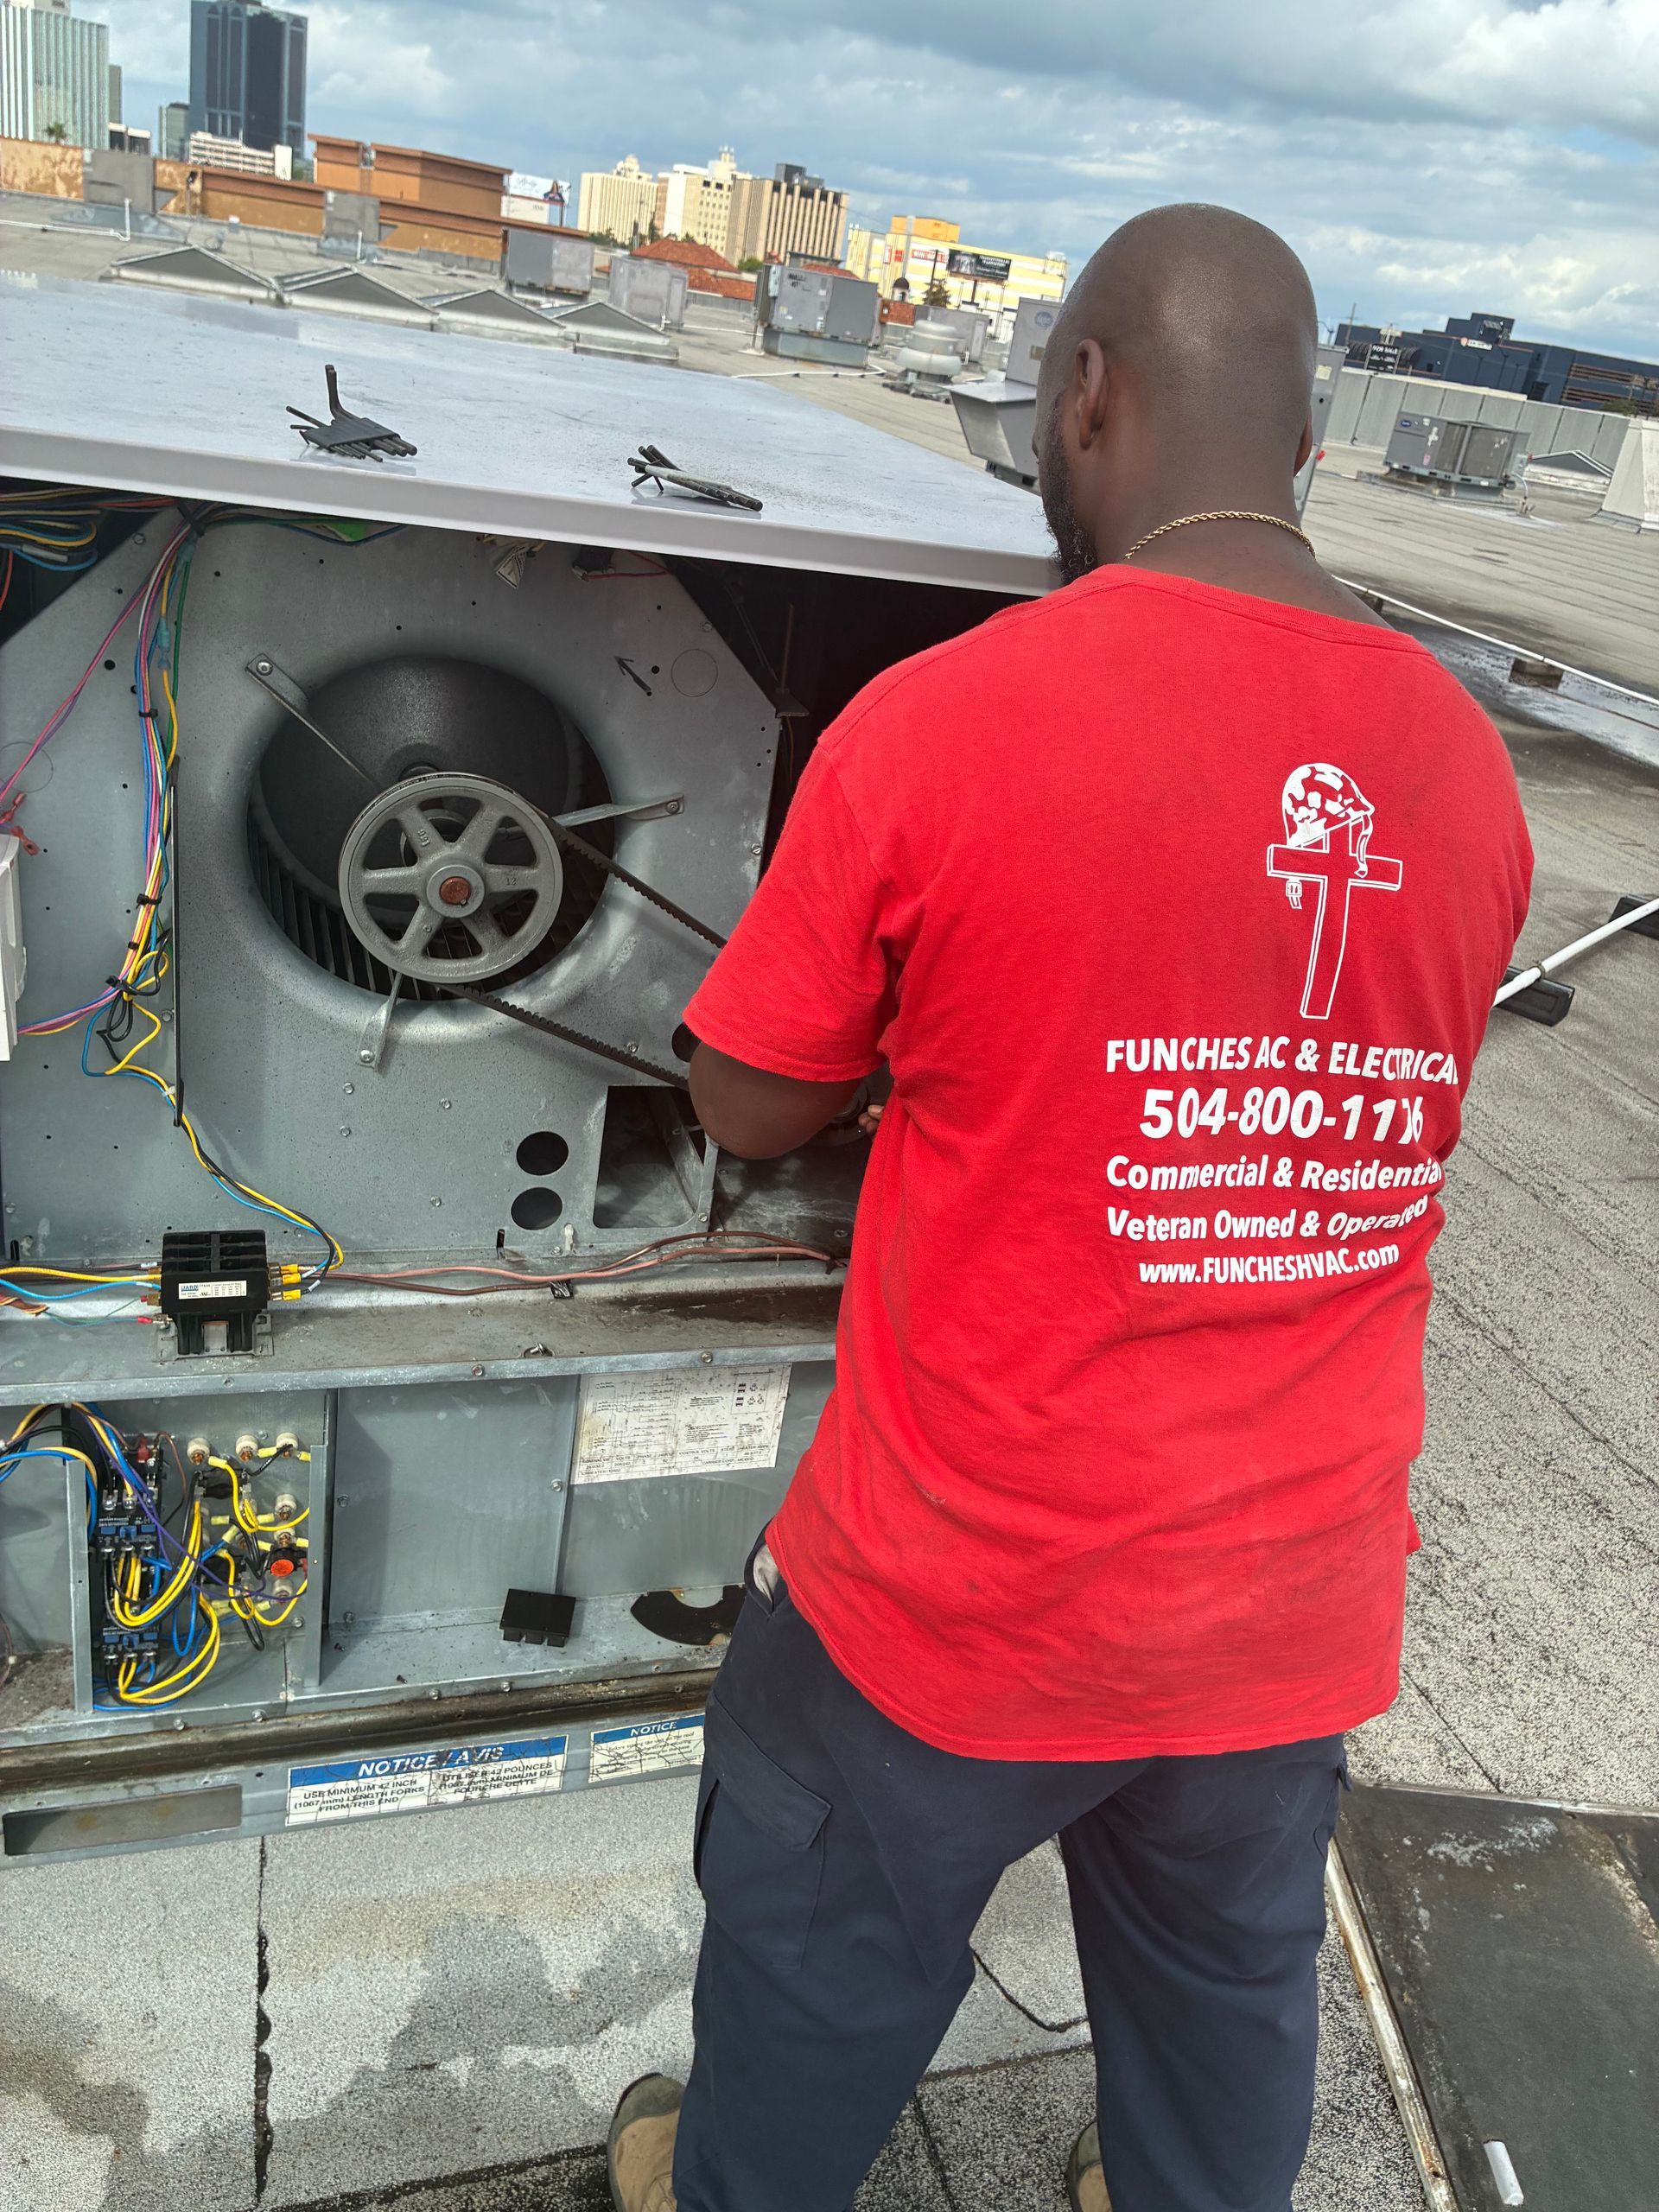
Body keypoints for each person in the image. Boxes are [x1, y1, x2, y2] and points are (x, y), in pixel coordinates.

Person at [607, 203, 1532, 2212]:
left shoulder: (950, 718)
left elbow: (750, 1098)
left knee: (815, 1971)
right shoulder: (1462, 765)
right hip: (1289, 1602)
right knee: (1225, 2013)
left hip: (962, 1603)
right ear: (1303, 436)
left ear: (1084, 395)